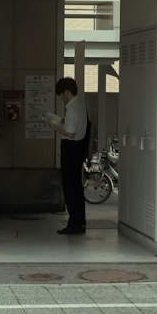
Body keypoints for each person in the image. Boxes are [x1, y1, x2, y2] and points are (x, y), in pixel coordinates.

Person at [47, 76, 91, 235]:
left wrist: (54, 127)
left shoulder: (72, 108)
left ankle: (73, 224)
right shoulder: (81, 104)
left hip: (71, 149)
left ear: (66, 92)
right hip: (79, 150)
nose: (61, 98)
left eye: (61, 95)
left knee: (70, 187)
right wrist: (61, 121)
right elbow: (76, 125)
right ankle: (80, 223)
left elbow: (70, 134)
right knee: (77, 188)